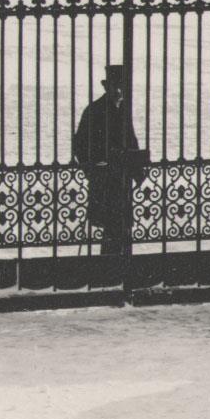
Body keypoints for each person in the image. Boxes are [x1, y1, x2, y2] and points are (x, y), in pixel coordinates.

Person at [71, 63, 151, 267]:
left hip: (121, 178)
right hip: (105, 178)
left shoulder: (123, 109)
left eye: (122, 86)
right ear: (107, 87)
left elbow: (131, 141)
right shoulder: (94, 110)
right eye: (116, 86)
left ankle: (119, 264)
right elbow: (80, 144)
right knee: (111, 225)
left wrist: (138, 170)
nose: (119, 91)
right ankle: (109, 266)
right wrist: (93, 169)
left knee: (121, 225)